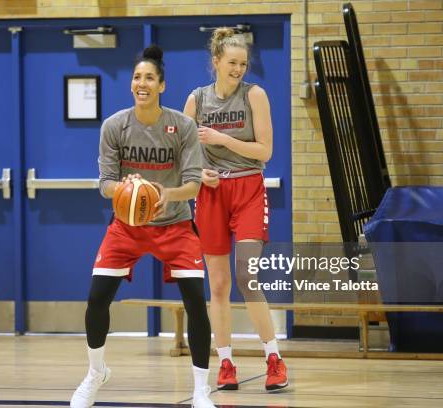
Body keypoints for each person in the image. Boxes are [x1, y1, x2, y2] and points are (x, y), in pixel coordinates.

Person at [70, 45, 216, 408]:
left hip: (176, 224)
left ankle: (200, 390)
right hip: (128, 226)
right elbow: (105, 183)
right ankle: (95, 372)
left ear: (162, 85)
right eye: (137, 77)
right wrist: (123, 189)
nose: (142, 83)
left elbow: (194, 184)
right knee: (96, 298)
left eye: (149, 77)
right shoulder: (115, 126)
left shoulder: (182, 126)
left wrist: (165, 192)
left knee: (197, 303)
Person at [183, 28, 288, 392]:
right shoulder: (196, 100)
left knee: (247, 277)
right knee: (219, 284)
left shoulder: (255, 95)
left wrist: (223, 138)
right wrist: (200, 173)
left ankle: (273, 357)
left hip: (247, 189)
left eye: (243, 63)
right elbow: (184, 156)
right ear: (215, 62)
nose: (238, 69)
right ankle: (225, 362)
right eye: (232, 63)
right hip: (212, 192)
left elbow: (265, 152)